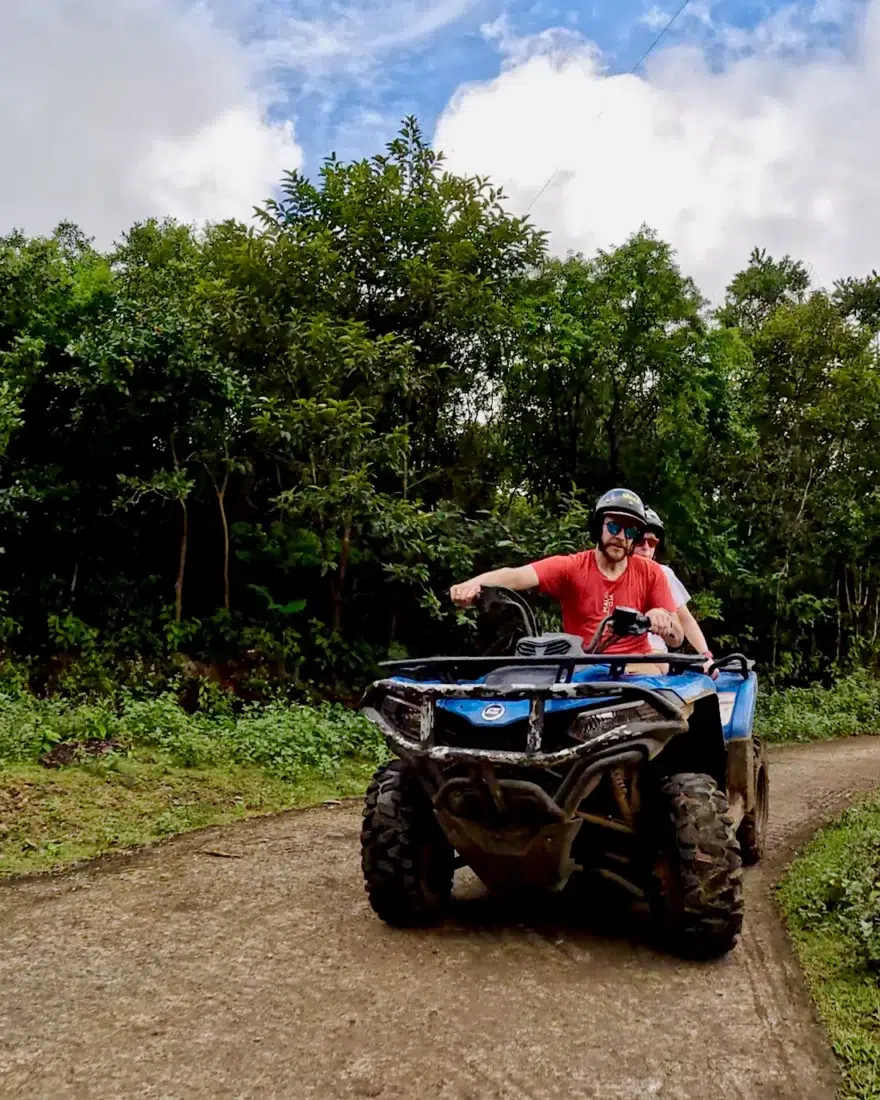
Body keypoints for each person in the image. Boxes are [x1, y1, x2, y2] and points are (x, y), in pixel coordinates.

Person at [449, 488, 683, 671]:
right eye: (614, 526)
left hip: (633, 671)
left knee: (657, 669)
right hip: (582, 671)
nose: (621, 537)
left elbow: (677, 639)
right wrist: (472, 585)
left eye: (630, 532)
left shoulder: (650, 572)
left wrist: (663, 623)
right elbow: (516, 575)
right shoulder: (572, 567)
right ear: (597, 527)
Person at [637, 506, 716, 676]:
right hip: (614, 655)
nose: (645, 548)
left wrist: (705, 655)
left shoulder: (663, 574)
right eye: (639, 541)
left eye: (651, 542)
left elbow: (685, 619)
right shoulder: (612, 572)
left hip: (654, 655)